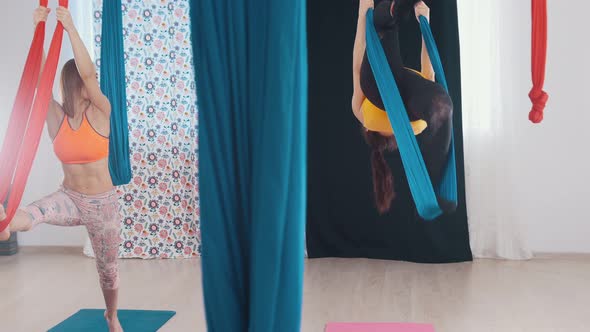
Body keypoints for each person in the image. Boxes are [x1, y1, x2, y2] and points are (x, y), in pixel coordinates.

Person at [0, 6, 123, 332]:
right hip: (69, 198)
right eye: (90, 78)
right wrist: (40, 30)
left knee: (108, 271)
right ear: (74, 85)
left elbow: (85, 72)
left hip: (103, 204)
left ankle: (111, 315)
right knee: (30, 215)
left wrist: (68, 27)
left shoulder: (102, 111)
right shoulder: (56, 117)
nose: (94, 80)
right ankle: (5, 220)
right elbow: (40, 77)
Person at [352, 0, 455, 215]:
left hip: (384, 86)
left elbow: (429, 74)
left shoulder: (414, 128)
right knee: (381, 32)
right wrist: (364, 9)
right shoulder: (362, 116)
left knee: (442, 106)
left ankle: (434, 190)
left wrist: (424, 19)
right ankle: (388, 13)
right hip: (384, 86)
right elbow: (357, 67)